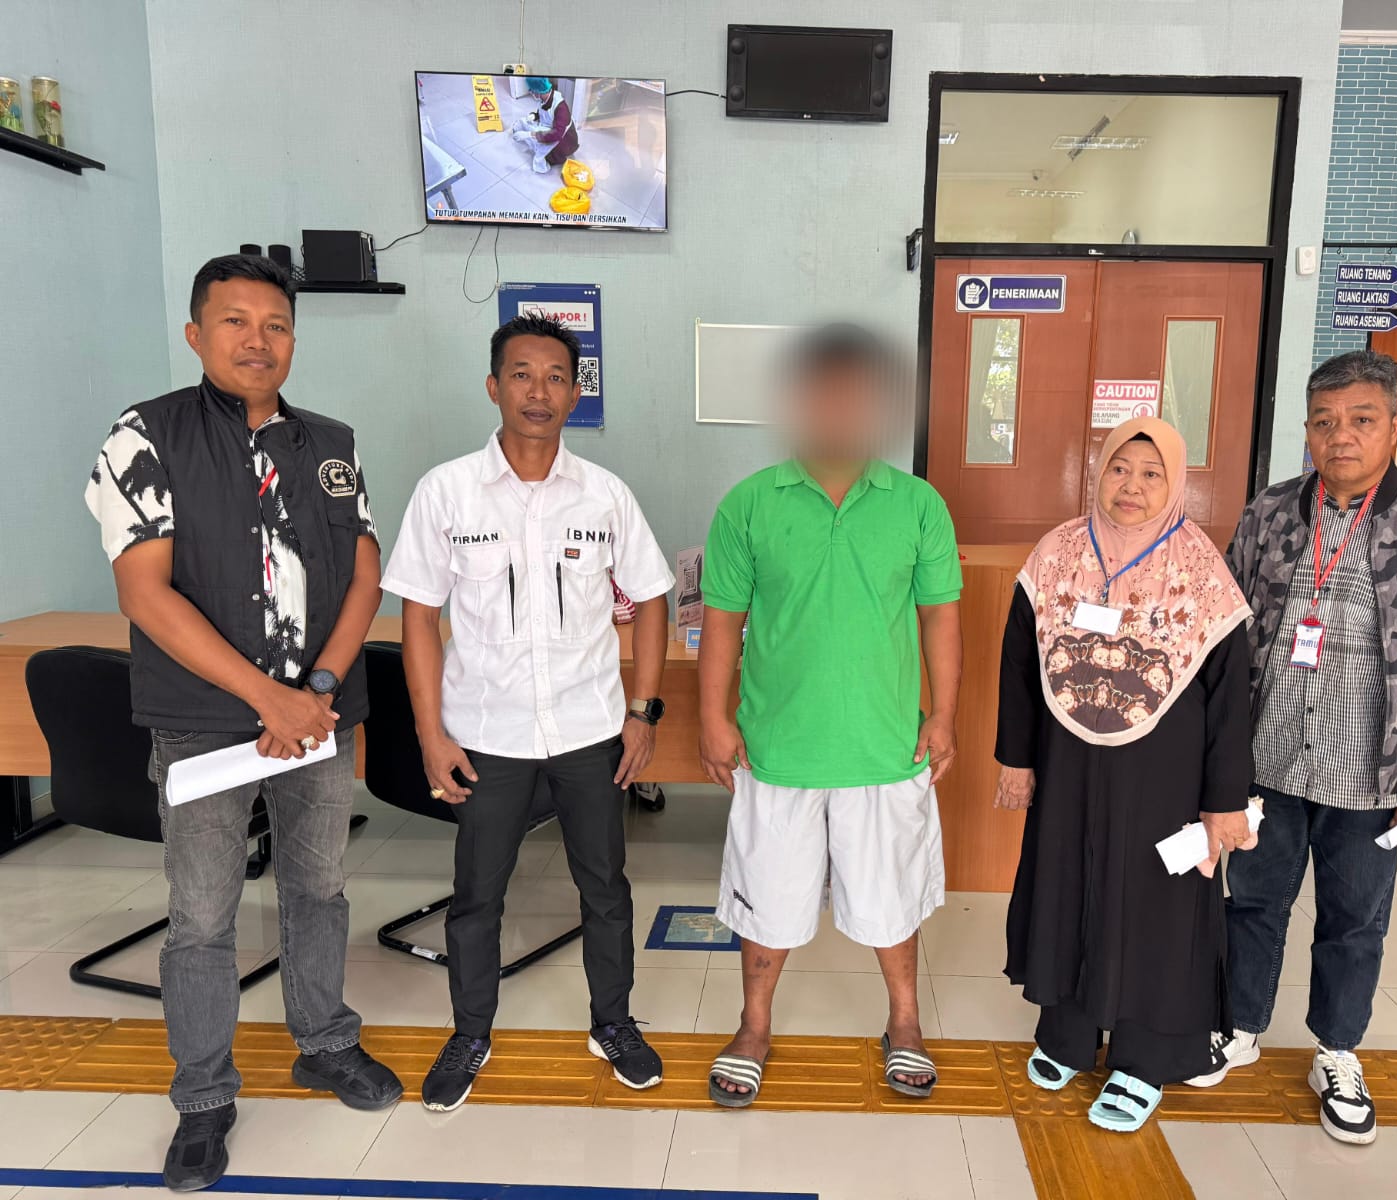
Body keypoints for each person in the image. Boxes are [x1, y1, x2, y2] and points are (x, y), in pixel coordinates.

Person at [84, 255, 401, 1191]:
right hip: (204, 724)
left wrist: (320, 686)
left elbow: (365, 576)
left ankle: (325, 1041)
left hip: (320, 718)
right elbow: (144, 593)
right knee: (202, 914)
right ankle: (203, 1097)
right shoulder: (146, 436)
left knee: (320, 889)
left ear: (293, 340)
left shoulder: (330, 444)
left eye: (276, 324)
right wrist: (272, 700)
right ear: (196, 334)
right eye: (235, 321)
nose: (257, 340)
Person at [1188, 350, 1397, 1147]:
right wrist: (1213, 754)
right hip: (1270, 761)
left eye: (1361, 420)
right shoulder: (1270, 514)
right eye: (1324, 422)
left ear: (1395, 426)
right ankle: (1239, 1026)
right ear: (1307, 431)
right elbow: (1225, 637)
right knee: (1252, 902)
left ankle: (1337, 1052)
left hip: (1375, 775)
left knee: (1355, 920)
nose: (1341, 436)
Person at [381, 312, 674, 1110]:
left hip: (589, 732)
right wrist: (430, 734)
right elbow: (418, 618)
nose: (538, 392)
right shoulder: (447, 492)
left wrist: (643, 711)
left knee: (605, 887)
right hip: (488, 735)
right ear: (493, 386)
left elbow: (652, 596)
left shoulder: (605, 495)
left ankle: (612, 1023)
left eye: (555, 378)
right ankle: (470, 1033)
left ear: (575, 394)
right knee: (478, 895)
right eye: (521, 375)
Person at [698, 323, 964, 1107]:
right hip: (777, 748)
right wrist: (714, 718)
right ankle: (753, 1026)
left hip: (885, 746)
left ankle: (905, 1021)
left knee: (892, 897)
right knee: (767, 899)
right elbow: (722, 622)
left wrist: (944, 716)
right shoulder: (749, 504)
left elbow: (940, 618)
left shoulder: (918, 505)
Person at [994, 418, 1253, 1133]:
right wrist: (1016, 758)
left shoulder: (1201, 569)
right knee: (1068, 884)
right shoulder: (1056, 554)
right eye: (1118, 469)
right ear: (1097, 471)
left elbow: (1231, 696)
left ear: (1175, 483)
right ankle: (1068, 1034)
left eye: (1150, 473)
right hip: (1068, 768)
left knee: (1157, 904)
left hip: (1166, 777)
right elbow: (1018, 664)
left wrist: (1224, 800)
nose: (1131, 486)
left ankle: (1145, 1057)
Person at [509, 77, 578, 173]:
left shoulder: (561, 108)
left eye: (532, 91)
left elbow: (557, 134)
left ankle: (546, 159)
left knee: (540, 153)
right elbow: (543, 114)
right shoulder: (546, 98)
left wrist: (529, 135)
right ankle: (519, 132)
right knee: (524, 122)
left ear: (538, 91)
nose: (531, 93)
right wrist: (534, 116)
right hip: (550, 128)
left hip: (563, 142)